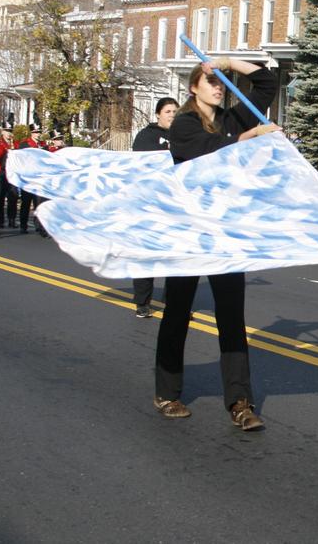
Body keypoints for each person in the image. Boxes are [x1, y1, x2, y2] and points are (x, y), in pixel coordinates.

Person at [155, 57, 280, 430]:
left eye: (221, 81)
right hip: (189, 230)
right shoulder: (184, 124)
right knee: (178, 311)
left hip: (225, 231)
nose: (218, 85)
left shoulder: (230, 118)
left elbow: (267, 83)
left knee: (231, 316)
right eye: (210, 80)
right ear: (193, 87)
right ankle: (167, 392)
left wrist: (225, 61)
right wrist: (250, 137)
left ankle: (240, 403)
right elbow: (210, 149)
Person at [131, 97, 179, 318]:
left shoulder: (183, 136)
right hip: (149, 205)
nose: (172, 114)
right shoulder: (146, 136)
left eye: (175, 111)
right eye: (168, 111)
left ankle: (176, 304)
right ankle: (142, 302)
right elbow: (142, 168)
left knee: (176, 257)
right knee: (147, 255)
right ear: (159, 113)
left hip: (176, 205)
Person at [16, 124, 46, 236]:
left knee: (39, 203)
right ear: (32, 133)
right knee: (26, 203)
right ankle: (23, 225)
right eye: (36, 132)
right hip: (28, 178)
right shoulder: (24, 144)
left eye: (39, 132)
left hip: (39, 179)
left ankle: (40, 227)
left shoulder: (43, 145)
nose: (38, 134)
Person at [0, 128, 17, 229]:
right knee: (0, 198)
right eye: (7, 131)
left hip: (12, 174)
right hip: (2, 173)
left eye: (11, 131)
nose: (9, 134)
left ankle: (12, 220)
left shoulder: (15, 144)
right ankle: (0, 220)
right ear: (2, 132)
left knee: (13, 197)